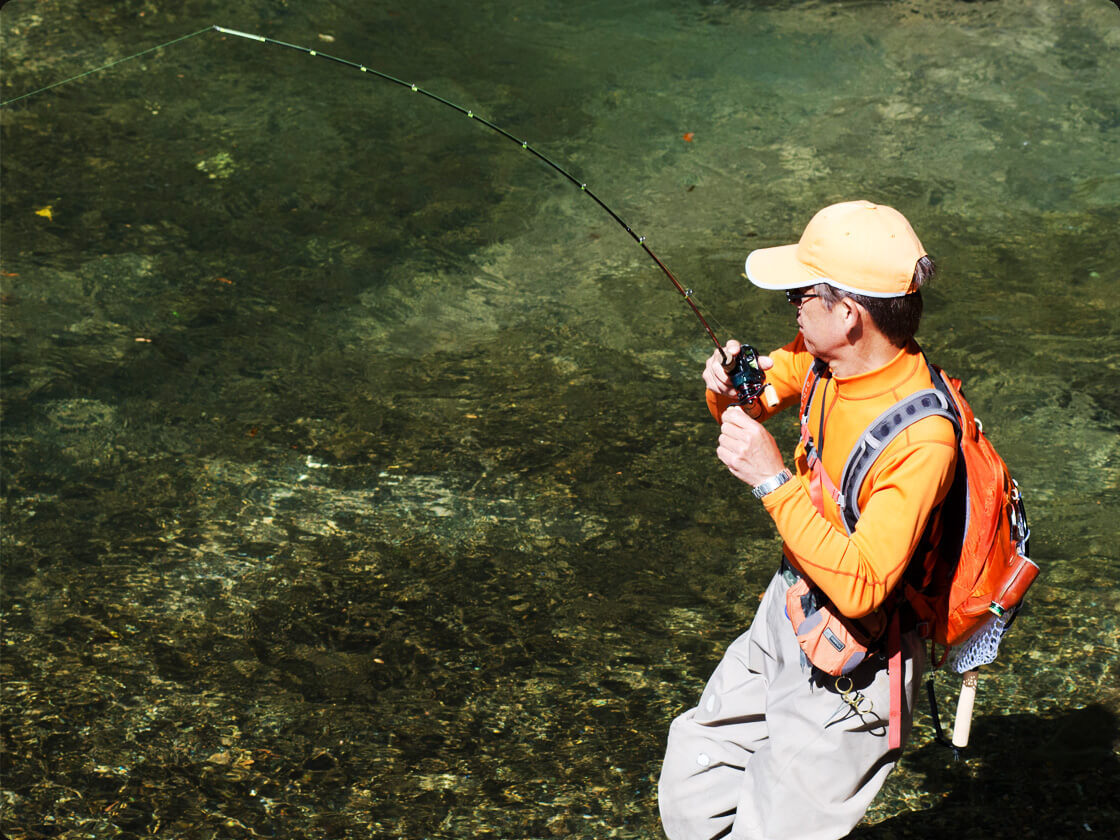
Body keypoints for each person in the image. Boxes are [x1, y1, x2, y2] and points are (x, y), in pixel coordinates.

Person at [658, 200, 958, 840]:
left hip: (858, 662)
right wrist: (726, 385)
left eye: (799, 294)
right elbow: (756, 395)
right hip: (791, 604)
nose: (790, 306)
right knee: (693, 782)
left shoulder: (924, 439)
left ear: (847, 313)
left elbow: (864, 585)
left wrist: (773, 481)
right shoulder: (825, 359)